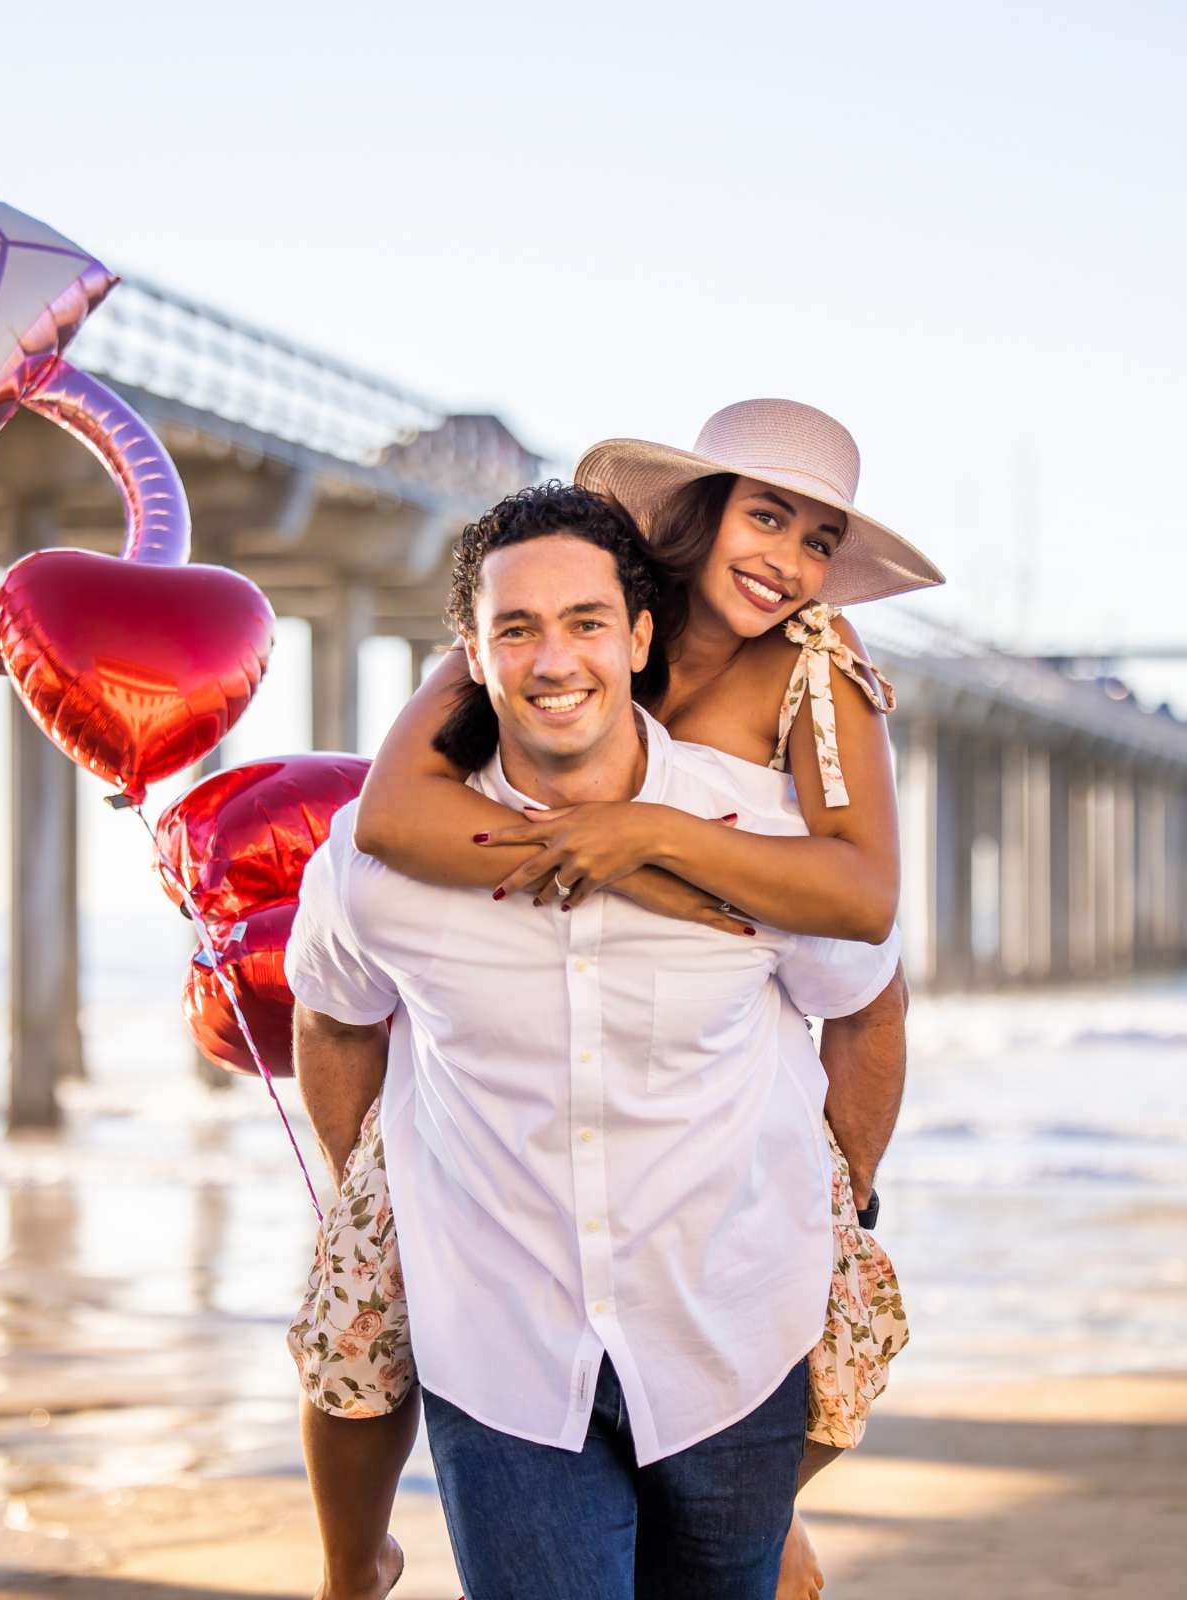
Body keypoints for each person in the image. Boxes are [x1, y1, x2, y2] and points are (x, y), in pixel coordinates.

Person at [296, 400, 943, 1600]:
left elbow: (861, 912)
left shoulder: (813, 671)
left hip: (721, 1257)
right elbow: (388, 824)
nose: (789, 562)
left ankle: (766, 1510)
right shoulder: (528, 630)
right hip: (508, 1317)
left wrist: (651, 837)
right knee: (360, 1324)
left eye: (818, 539)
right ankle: (353, 1558)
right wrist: (569, 846)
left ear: (635, 633)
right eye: (766, 516)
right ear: (696, 514)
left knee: (766, 1405)